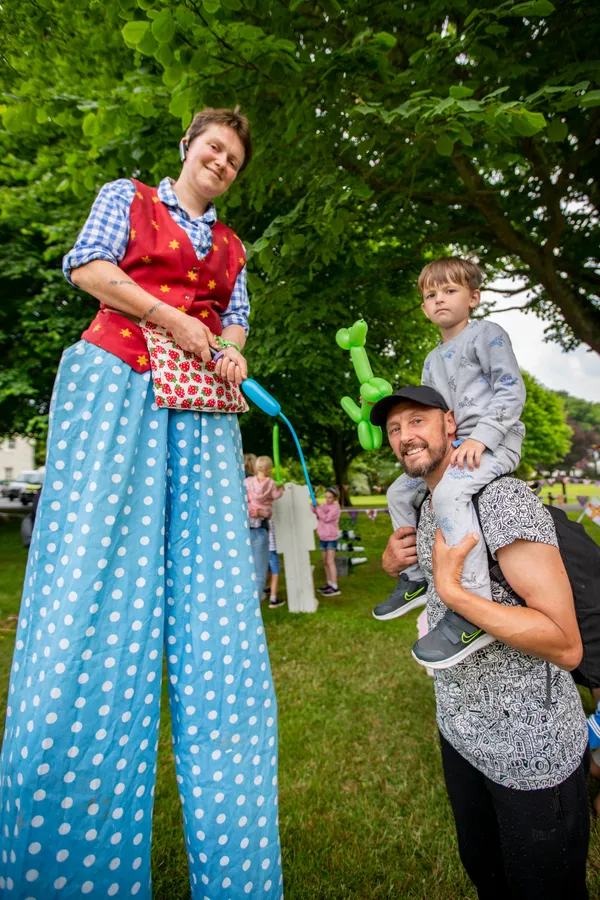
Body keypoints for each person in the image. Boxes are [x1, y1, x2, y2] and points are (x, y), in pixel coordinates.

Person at [0, 107, 283, 899]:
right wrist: (171, 322)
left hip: (197, 415)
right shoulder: (127, 199)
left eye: (234, 157)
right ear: (187, 149)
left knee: (217, 615)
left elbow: (237, 329)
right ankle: (69, 868)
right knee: (97, 601)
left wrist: (227, 355)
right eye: (213, 147)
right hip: (117, 386)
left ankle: (238, 872)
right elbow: (87, 269)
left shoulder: (231, 248)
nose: (222, 161)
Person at [375, 385, 589, 899]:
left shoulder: (501, 499)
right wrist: (399, 567)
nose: (405, 437)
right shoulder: (428, 505)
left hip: (530, 751)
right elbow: (437, 589)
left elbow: (565, 644)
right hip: (460, 732)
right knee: (486, 874)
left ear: (451, 423)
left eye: (417, 421)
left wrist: (453, 592)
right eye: (394, 429)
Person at [373, 257, 526, 672]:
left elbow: (512, 391)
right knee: (398, 491)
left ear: (473, 298)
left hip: (494, 442)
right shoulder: (431, 359)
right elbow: (436, 414)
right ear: (423, 308)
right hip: (454, 447)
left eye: (450, 291)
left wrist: (482, 437)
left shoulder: (487, 334)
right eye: (430, 295)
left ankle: (473, 607)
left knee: (453, 492)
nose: (439, 299)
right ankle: (419, 576)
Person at [245, 455, 283, 593]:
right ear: (268, 470)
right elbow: (275, 495)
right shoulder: (271, 483)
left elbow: (244, 499)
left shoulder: (248, 482)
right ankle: (256, 603)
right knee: (259, 571)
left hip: (248, 524)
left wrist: (252, 510)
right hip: (260, 524)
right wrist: (280, 488)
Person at [314, 487, 341, 596]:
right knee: (325, 562)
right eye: (326, 497)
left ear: (334, 498)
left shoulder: (335, 508)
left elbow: (326, 517)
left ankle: (335, 586)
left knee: (330, 561)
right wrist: (314, 504)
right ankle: (329, 583)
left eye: (330, 497)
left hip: (331, 537)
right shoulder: (324, 506)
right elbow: (316, 511)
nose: (327, 499)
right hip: (323, 537)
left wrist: (318, 509)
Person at [266, 520, 285, 608]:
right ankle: (273, 599)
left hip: (264, 549)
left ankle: (266, 588)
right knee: (275, 573)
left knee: (268, 570)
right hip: (272, 549)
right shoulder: (271, 519)